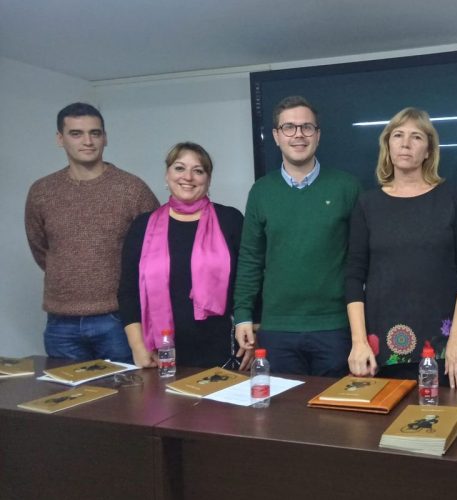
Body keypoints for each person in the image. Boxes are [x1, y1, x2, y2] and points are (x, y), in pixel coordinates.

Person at [346, 107, 457, 388]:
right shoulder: (367, 205)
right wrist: (358, 343)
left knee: (443, 424)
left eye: (416, 137)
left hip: (444, 347)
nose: (405, 143)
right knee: (382, 428)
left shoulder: (452, 198)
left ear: (429, 150)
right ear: (388, 145)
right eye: (398, 135)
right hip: (379, 349)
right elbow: (354, 276)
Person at [234, 96, 361, 375]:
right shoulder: (261, 191)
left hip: (335, 327)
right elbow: (250, 259)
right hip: (277, 329)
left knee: (337, 415)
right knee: (282, 414)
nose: (298, 135)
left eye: (307, 127)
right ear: (276, 136)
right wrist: (243, 315)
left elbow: (362, 260)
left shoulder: (347, 187)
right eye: (289, 127)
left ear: (318, 135)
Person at [25, 102, 159, 363]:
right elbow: (41, 249)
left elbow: (157, 246)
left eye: (95, 133)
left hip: (118, 321)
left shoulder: (131, 189)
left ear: (105, 138)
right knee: (68, 401)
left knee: (128, 399)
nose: (87, 141)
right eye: (76, 134)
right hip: (60, 323)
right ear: (60, 139)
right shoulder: (41, 192)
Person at [118, 142, 243, 368]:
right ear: (167, 175)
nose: (188, 177)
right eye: (179, 168)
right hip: (160, 353)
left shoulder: (231, 220)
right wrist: (138, 347)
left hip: (223, 351)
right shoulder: (143, 226)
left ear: (208, 179)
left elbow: (248, 283)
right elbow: (128, 292)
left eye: (198, 170)